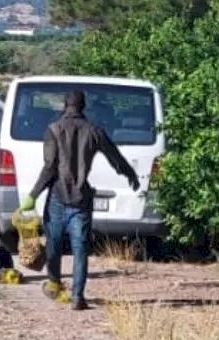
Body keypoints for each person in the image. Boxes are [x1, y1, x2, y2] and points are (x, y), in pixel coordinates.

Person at [21, 90, 140, 311]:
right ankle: (77, 296)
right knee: (80, 249)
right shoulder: (94, 131)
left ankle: (54, 283)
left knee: (54, 245)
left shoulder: (53, 129)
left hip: (57, 197)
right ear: (83, 106)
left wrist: (33, 194)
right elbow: (114, 157)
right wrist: (129, 173)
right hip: (81, 199)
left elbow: (50, 168)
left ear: (64, 105)